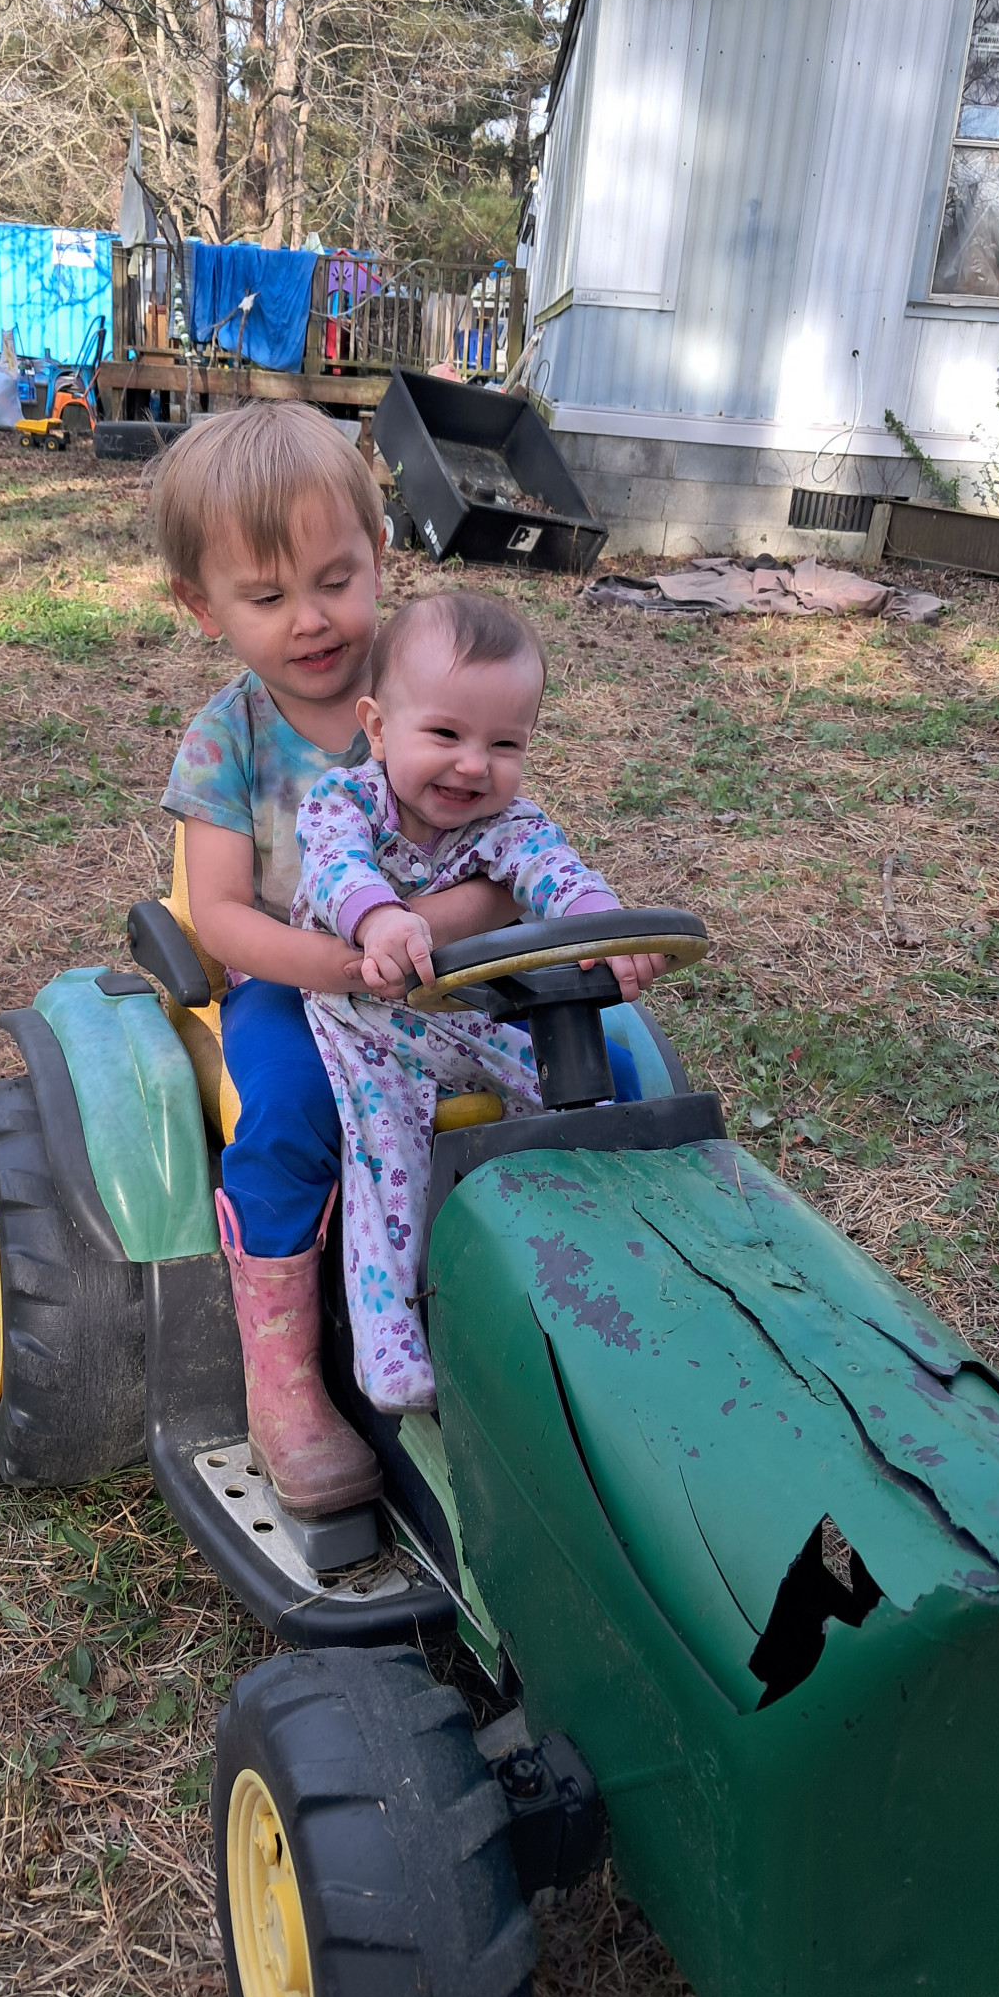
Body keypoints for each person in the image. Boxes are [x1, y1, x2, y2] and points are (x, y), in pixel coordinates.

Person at [154, 404, 520, 1522]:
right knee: (288, 1111)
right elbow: (222, 915)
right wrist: (345, 957)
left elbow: (505, 862)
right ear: (203, 606)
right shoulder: (228, 740)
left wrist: (414, 929)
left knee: (587, 1053)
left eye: (335, 580)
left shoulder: (427, 686)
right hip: (291, 980)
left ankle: (543, 1293)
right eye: (267, 598)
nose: (311, 620)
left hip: (439, 966)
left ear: (380, 556)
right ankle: (286, 1380)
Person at [292, 591, 666, 1413]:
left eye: (504, 744)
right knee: (386, 1155)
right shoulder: (342, 801)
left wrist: (603, 925)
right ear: (379, 727)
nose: (473, 766)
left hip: (471, 1014)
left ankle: (610, 1268)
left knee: (580, 1103)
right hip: (366, 1023)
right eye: (446, 735)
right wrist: (379, 919)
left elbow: (556, 872)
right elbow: (334, 867)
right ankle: (389, 1341)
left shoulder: (510, 822)